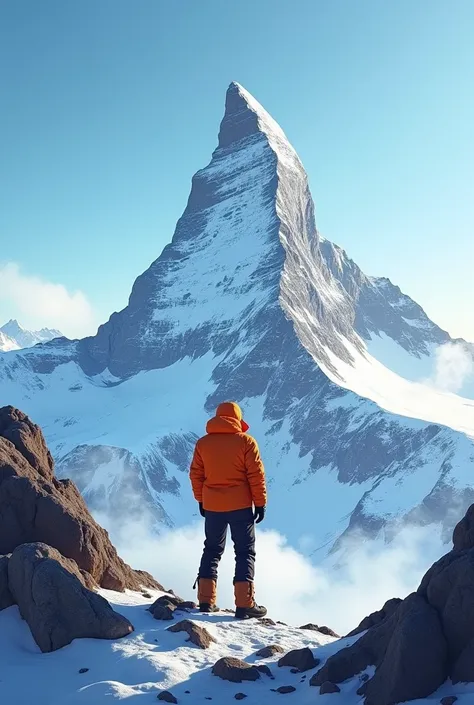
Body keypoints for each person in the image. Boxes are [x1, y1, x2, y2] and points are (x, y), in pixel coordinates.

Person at [189, 401, 267, 619]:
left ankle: (205, 601)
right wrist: (260, 503)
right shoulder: (246, 442)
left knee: (212, 549)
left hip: (213, 506)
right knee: (244, 552)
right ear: (237, 418)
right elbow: (256, 475)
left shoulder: (203, 444)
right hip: (240, 505)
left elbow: (196, 474)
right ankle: (244, 605)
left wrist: (201, 500)